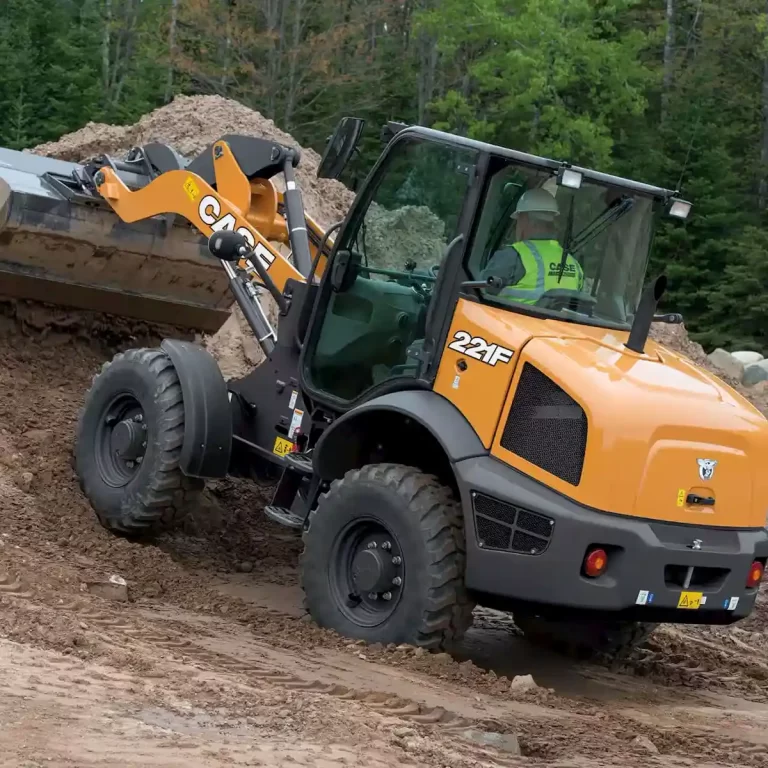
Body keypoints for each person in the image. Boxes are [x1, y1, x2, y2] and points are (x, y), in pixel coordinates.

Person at [482, 187, 584, 305]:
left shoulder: (513, 257)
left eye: (518, 220)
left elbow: (476, 293)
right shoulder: (574, 264)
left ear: (525, 219)